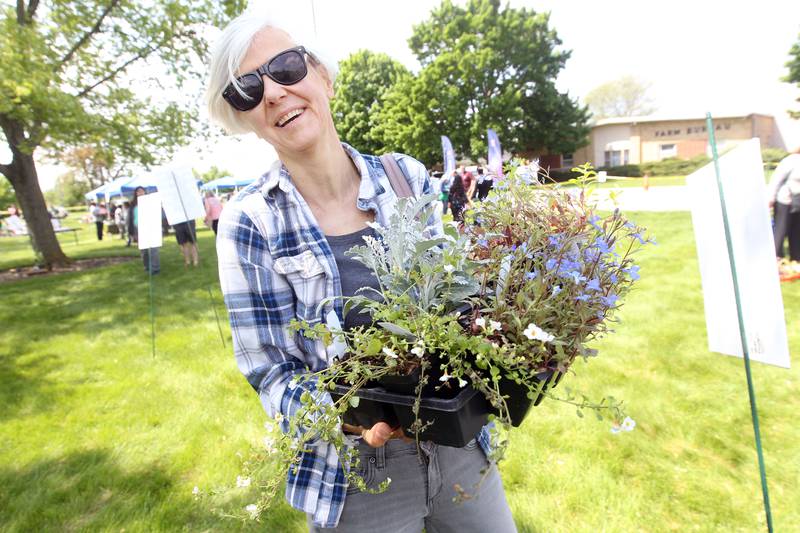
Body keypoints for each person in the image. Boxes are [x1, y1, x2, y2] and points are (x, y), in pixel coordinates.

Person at [207, 11, 515, 532]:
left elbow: (454, 300)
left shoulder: (404, 177)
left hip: (459, 445)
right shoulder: (250, 221)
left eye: (285, 67)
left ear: (322, 76)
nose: (275, 93)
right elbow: (270, 370)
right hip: (351, 474)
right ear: (244, 117)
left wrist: (507, 336)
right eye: (248, 89)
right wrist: (351, 416)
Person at [768, 147, 800, 262]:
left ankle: (796, 259)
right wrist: (770, 199)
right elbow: (776, 180)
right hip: (785, 201)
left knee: (796, 233)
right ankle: (776, 259)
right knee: (781, 230)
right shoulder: (791, 161)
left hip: (799, 203)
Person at [127, 186, 160, 274]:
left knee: (154, 249)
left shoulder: (151, 202)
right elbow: (130, 219)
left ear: (145, 192)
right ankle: (147, 267)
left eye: (142, 191)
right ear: (136, 193)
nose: (141, 193)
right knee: (144, 251)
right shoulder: (133, 205)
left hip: (151, 227)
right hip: (138, 229)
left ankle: (155, 268)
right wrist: (131, 232)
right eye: (138, 191)